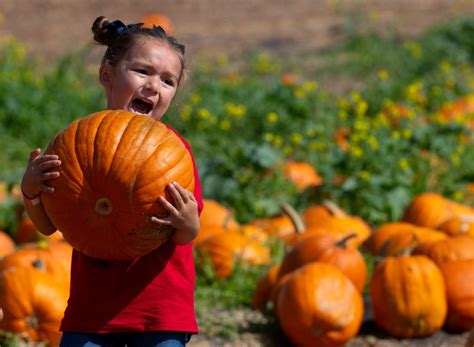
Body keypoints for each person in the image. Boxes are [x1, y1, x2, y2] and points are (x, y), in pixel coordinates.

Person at [20, 16, 203, 347]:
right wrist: (32, 192)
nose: (153, 86)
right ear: (107, 74)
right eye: (143, 71)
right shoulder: (78, 146)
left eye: (167, 81)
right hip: (93, 310)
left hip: (158, 312)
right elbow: (48, 226)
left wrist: (188, 223)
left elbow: (184, 236)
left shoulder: (173, 154)